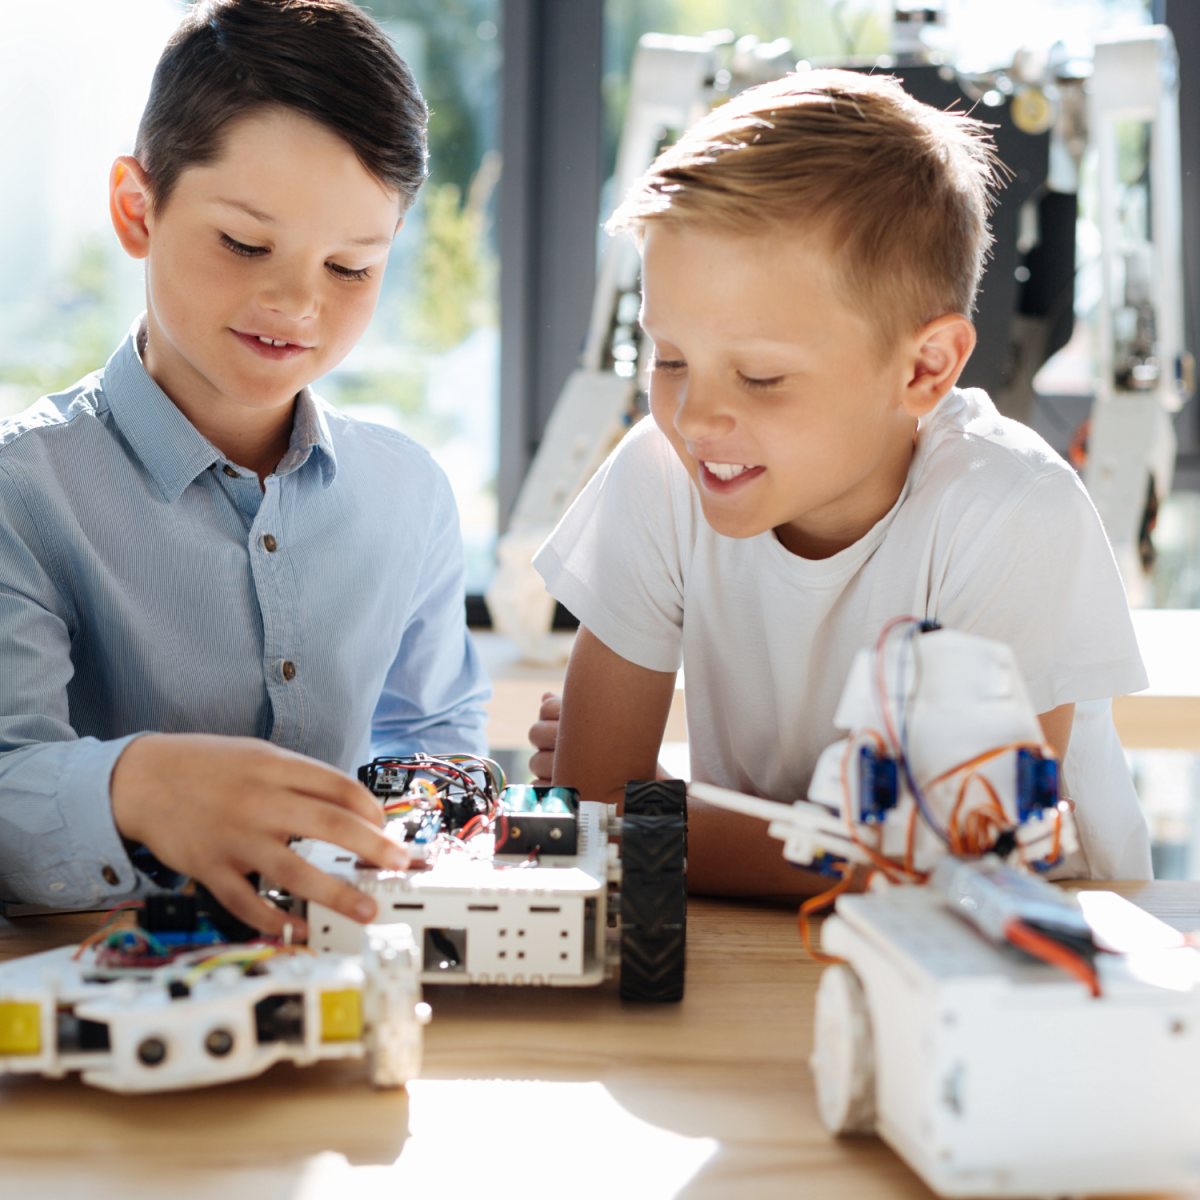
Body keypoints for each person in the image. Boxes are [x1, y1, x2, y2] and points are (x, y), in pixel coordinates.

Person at [528, 69, 1151, 893]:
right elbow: (592, 810)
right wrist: (649, 814)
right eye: (670, 358)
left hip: (1024, 951)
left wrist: (658, 811)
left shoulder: (1011, 510)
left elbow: (964, 863)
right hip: (769, 937)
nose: (694, 416)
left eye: (760, 376)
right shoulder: (660, 471)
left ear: (925, 369)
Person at [0, 0, 490, 936]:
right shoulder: (22, 494)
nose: (297, 302)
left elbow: (432, 737)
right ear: (136, 209)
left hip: (348, 973)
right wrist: (140, 786)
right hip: (93, 985)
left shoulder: (411, 496)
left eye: (350, 267)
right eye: (245, 244)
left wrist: (434, 806)